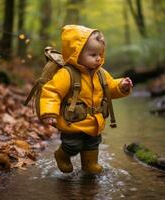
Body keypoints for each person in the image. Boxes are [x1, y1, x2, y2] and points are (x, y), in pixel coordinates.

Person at [40, 25, 133, 174]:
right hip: (73, 122)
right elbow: (52, 91)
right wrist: (49, 112)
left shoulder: (101, 73)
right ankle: (61, 156)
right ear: (76, 54)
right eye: (93, 54)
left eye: (100, 53)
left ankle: (90, 164)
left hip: (94, 121)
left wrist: (122, 86)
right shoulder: (67, 74)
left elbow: (110, 87)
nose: (98, 58)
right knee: (73, 145)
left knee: (93, 144)